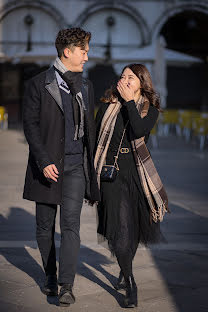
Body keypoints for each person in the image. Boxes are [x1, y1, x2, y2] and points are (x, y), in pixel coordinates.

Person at [23, 27, 100, 307]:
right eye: (84, 51)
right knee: (44, 226)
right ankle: (50, 276)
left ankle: (67, 285)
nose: (87, 57)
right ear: (67, 52)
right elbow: (30, 126)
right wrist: (43, 161)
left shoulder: (87, 86)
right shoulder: (37, 84)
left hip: (76, 165)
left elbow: (89, 127)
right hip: (46, 167)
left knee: (71, 225)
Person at [94, 64, 169, 308]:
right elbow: (94, 140)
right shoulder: (106, 105)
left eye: (131, 77)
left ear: (141, 83)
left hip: (136, 174)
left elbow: (138, 130)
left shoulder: (151, 110)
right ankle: (131, 280)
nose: (125, 80)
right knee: (122, 230)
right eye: (123, 76)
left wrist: (128, 103)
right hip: (111, 175)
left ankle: (123, 269)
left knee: (134, 231)